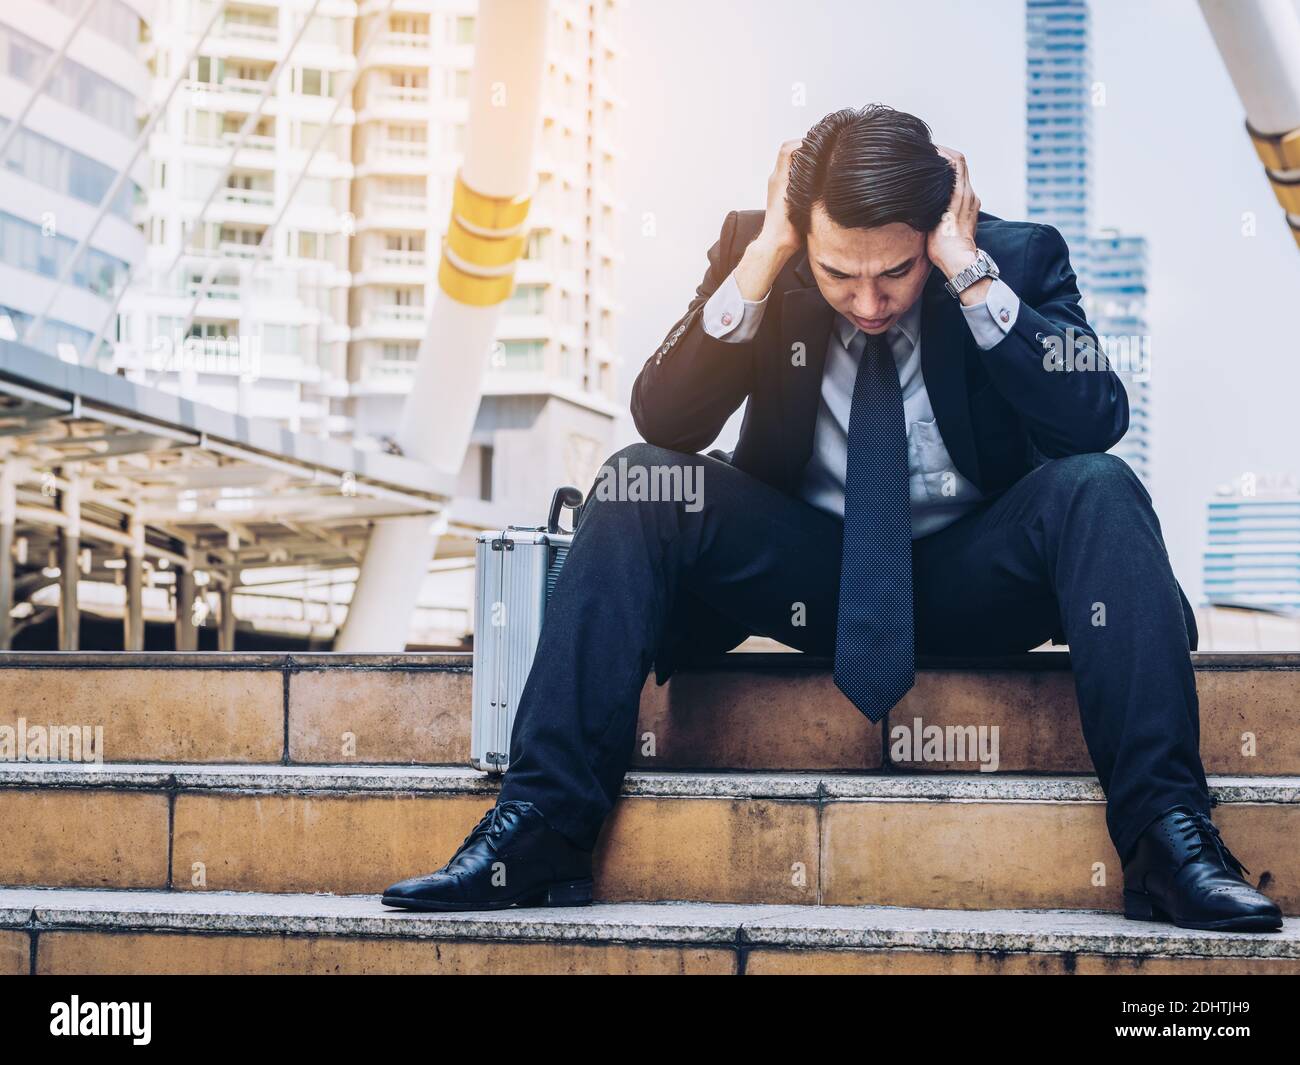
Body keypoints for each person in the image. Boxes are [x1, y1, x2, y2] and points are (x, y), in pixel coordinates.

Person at [383, 104, 1282, 932]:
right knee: (636, 481)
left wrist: (970, 276)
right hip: (805, 569)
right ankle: (541, 825)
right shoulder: (759, 250)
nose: (867, 301)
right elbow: (668, 417)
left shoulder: (1016, 255)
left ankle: (1169, 840)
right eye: (838, 274)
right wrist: (769, 255)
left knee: (1099, 483)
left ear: (937, 230)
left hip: (981, 571)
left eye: (895, 271)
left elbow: (1095, 416)